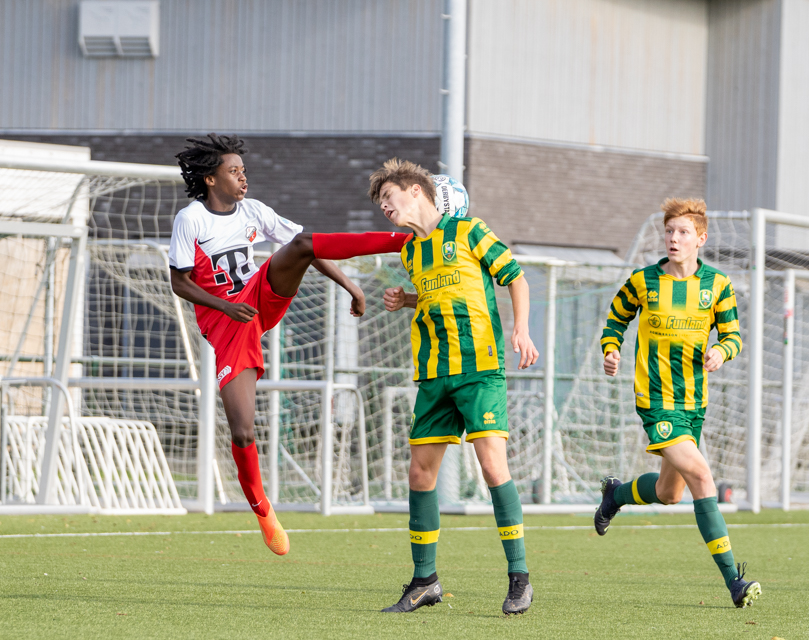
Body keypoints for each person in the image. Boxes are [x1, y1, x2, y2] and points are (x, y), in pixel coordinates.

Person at [169, 134, 410, 555]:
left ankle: (402, 240)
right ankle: (263, 511)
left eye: (244, 170)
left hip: (260, 298)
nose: (243, 178)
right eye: (233, 171)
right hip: (225, 324)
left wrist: (351, 287)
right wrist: (224, 307)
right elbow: (179, 283)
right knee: (243, 430)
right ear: (210, 179)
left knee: (298, 242)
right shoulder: (191, 220)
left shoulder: (254, 212)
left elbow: (309, 248)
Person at [372, 158, 539, 615]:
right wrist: (406, 299)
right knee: (420, 474)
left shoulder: (469, 231)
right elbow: (438, 294)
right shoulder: (410, 252)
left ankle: (519, 578)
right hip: (432, 374)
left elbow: (516, 277)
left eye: (389, 197)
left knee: (491, 467)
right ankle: (424, 581)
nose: (385, 207)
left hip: (480, 369)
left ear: (416, 192)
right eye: (380, 202)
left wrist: (520, 330)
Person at [593, 197, 761, 608]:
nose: (674, 238)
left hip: (693, 403)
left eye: (683, 232)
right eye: (669, 231)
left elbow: (734, 335)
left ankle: (616, 494)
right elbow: (615, 319)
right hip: (656, 402)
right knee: (703, 478)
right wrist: (611, 350)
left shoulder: (717, 285)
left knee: (670, 493)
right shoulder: (643, 281)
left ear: (700, 239)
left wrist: (722, 351)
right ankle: (734, 582)